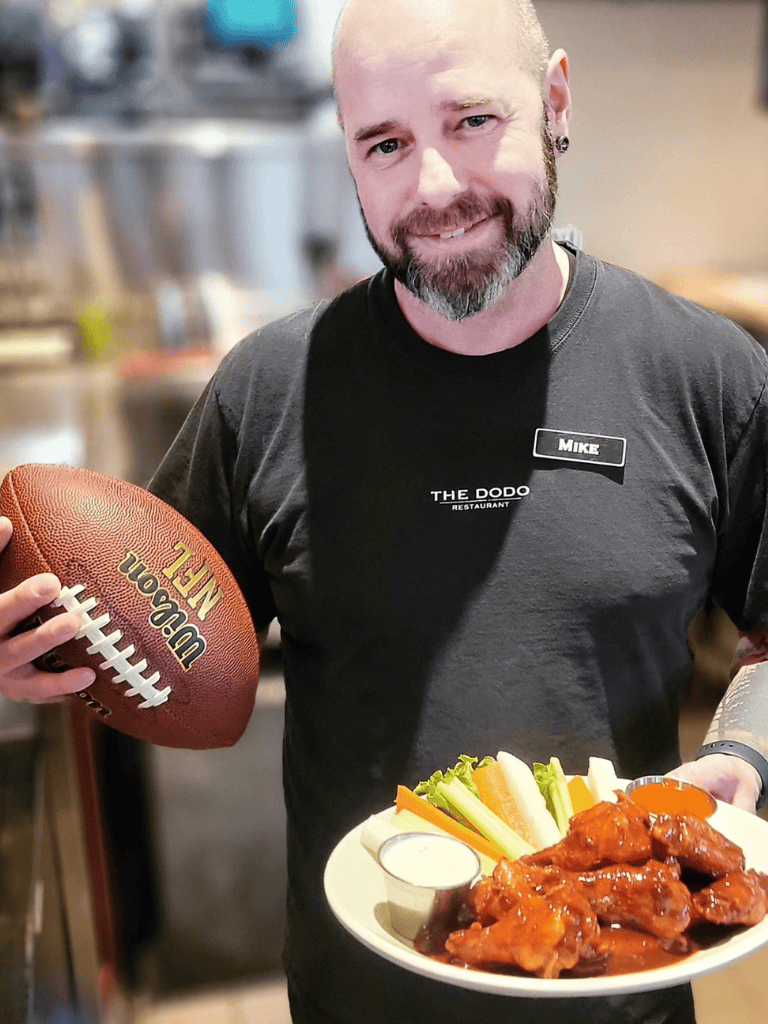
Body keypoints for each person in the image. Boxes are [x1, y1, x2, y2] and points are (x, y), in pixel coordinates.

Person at [1, 0, 767, 1021]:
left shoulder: (704, 374)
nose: (434, 187)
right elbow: (151, 638)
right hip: (356, 993)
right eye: (386, 143)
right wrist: (25, 643)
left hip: (620, 988)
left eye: (472, 122)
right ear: (349, 156)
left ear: (555, 101)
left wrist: (746, 751)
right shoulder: (267, 391)